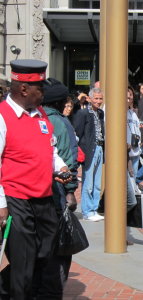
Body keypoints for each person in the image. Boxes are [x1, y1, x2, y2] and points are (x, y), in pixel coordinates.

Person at [0, 59, 71, 299]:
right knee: (23, 261)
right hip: (16, 198)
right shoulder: (2, 116)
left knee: (44, 254)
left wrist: (60, 167)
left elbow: (50, 150)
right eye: (40, 88)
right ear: (23, 89)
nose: (43, 93)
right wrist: (1, 206)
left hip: (44, 197)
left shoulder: (40, 114)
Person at [40, 77, 79, 299]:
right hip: (56, 193)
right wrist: (71, 190)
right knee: (59, 247)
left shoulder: (39, 118)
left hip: (37, 194)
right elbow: (68, 159)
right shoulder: (61, 123)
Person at [73, 87, 105, 220]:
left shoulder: (101, 113)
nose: (98, 101)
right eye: (96, 98)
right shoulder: (83, 114)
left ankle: (94, 208)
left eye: (100, 98)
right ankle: (87, 211)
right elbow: (77, 133)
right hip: (89, 150)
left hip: (100, 148)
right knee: (88, 183)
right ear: (90, 99)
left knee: (97, 183)